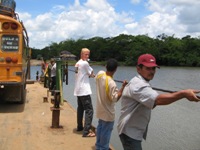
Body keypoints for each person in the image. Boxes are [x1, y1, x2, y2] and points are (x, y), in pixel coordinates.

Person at [117, 53, 200, 150]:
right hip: (130, 133)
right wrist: (183, 94)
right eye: (148, 68)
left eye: (153, 68)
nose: (152, 71)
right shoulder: (138, 85)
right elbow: (158, 100)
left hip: (132, 130)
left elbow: (152, 101)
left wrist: (180, 94)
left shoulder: (141, 83)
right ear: (138, 69)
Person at [95, 59, 127, 150]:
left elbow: (96, 78)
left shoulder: (100, 74)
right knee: (106, 132)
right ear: (115, 69)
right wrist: (123, 87)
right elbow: (115, 98)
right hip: (108, 113)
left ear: (106, 66)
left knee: (100, 128)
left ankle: (98, 146)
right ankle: (103, 148)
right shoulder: (111, 83)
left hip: (100, 109)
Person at [74, 48, 95, 137]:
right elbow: (91, 72)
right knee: (89, 110)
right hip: (84, 90)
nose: (87, 56)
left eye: (88, 54)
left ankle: (79, 126)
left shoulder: (77, 63)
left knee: (80, 109)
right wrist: (91, 74)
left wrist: (88, 74)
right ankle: (86, 131)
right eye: (86, 54)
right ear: (81, 54)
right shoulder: (85, 63)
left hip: (78, 90)